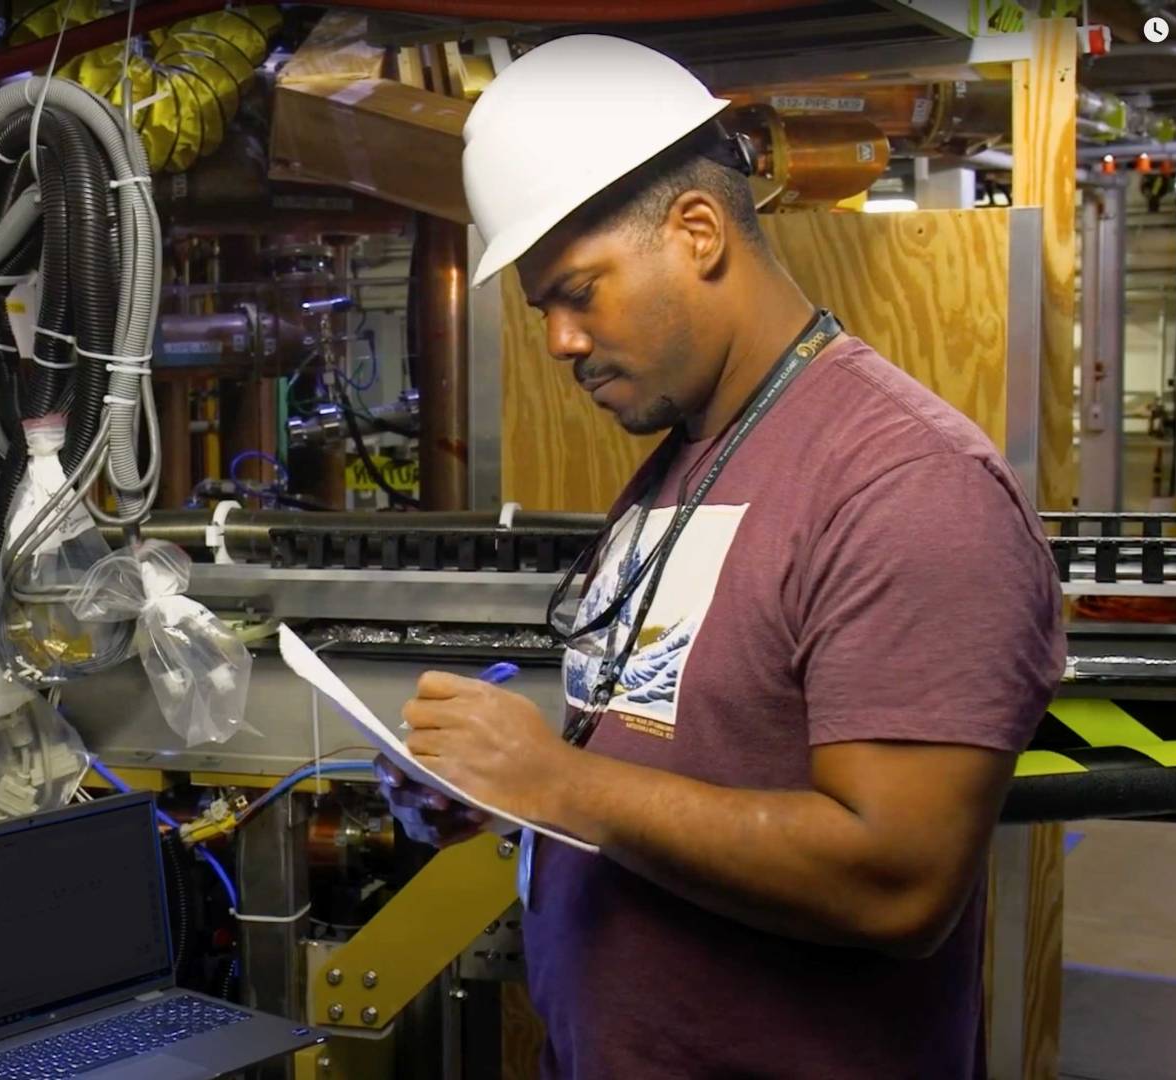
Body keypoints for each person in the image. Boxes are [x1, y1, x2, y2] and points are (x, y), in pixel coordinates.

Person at [377, 34, 1065, 1079]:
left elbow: (901, 883)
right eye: (544, 309)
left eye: (579, 291)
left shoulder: (907, 485)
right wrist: (497, 788)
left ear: (698, 231)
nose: (560, 341)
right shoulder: (692, 455)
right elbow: (672, 752)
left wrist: (560, 783)